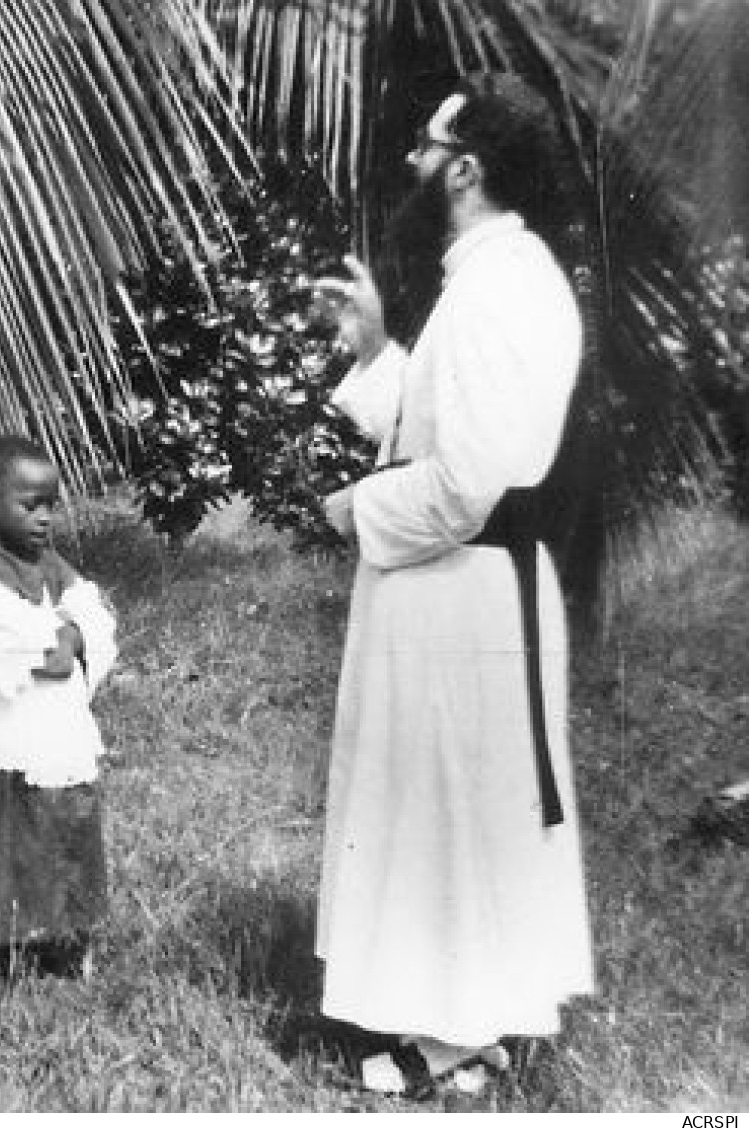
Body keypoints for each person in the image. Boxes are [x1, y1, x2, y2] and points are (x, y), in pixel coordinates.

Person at [311, 74, 593, 1096]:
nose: (412, 164)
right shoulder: (491, 277)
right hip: (461, 586)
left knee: (453, 799)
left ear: (466, 168)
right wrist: (379, 351)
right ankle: (460, 1023)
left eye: (429, 148)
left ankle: (453, 1039)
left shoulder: (500, 285)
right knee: (452, 799)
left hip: (460, 585)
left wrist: (355, 510)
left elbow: (469, 483)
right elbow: (448, 430)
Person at [0, 436, 117, 976]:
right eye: (29, 505)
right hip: (1, 736)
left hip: (53, 732)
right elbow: (28, 649)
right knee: (10, 838)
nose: (44, 518)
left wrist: (73, 631)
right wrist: (67, 633)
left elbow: (95, 612)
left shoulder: (49, 562)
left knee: (61, 829)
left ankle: (62, 936)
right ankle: (1, 947)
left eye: (51, 504)